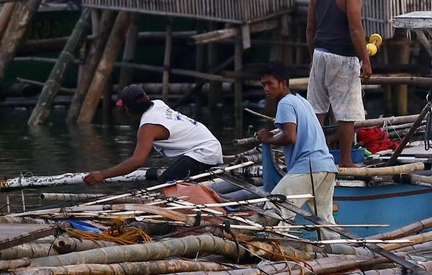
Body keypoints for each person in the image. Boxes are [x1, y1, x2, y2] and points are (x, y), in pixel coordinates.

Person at [306, 0, 371, 167]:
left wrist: (313, 55)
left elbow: (310, 29)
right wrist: (366, 60)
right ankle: (345, 160)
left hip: (320, 54)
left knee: (317, 108)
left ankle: (314, 158)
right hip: (342, 58)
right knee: (346, 111)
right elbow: (355, 29)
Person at [83, 85, 223, 185]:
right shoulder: (158, 104)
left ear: (127, 109)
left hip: (203, 152)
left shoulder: (147, 128)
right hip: (212, 146)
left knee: (166, 185)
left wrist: (103, 174)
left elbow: (138, 161)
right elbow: (144, 152)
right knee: (172, 178)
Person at [257, 63, 338, 226]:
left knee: (277, 208)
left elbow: (289, 137)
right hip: (326, 166)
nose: (266, 89)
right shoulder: (301, 101)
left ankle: (271, 248)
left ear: (283, 83)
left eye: (270, 84)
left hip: (308, 166)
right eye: (263, 85)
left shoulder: (285, 103)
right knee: (324, 219)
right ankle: (338, 249)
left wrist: (267, 139)